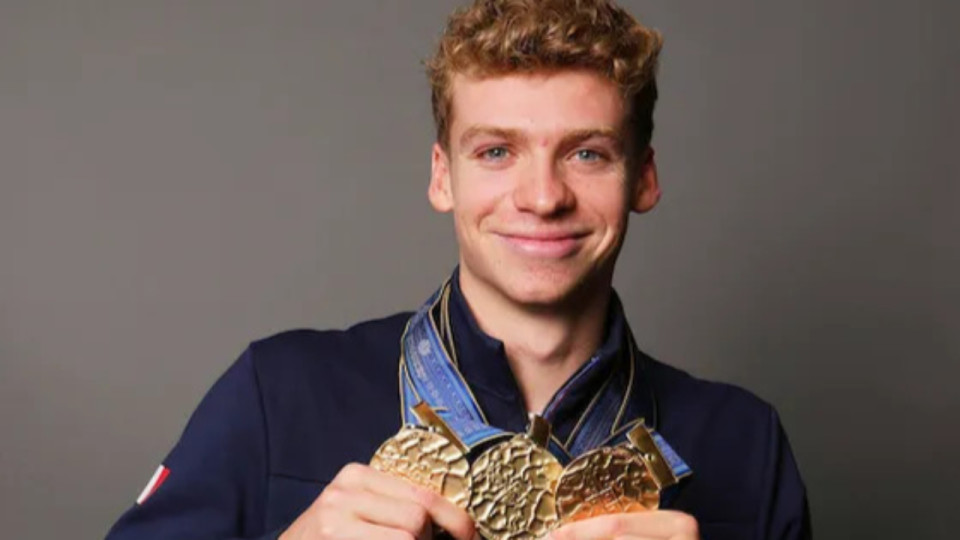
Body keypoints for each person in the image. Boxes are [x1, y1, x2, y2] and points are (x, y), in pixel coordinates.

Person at [106, 1, 811, 539]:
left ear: (644, 179)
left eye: (587, 152)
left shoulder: (745, 445)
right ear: (443, 177)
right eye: (496, 152)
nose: (542, 197)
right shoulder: (278, 394)